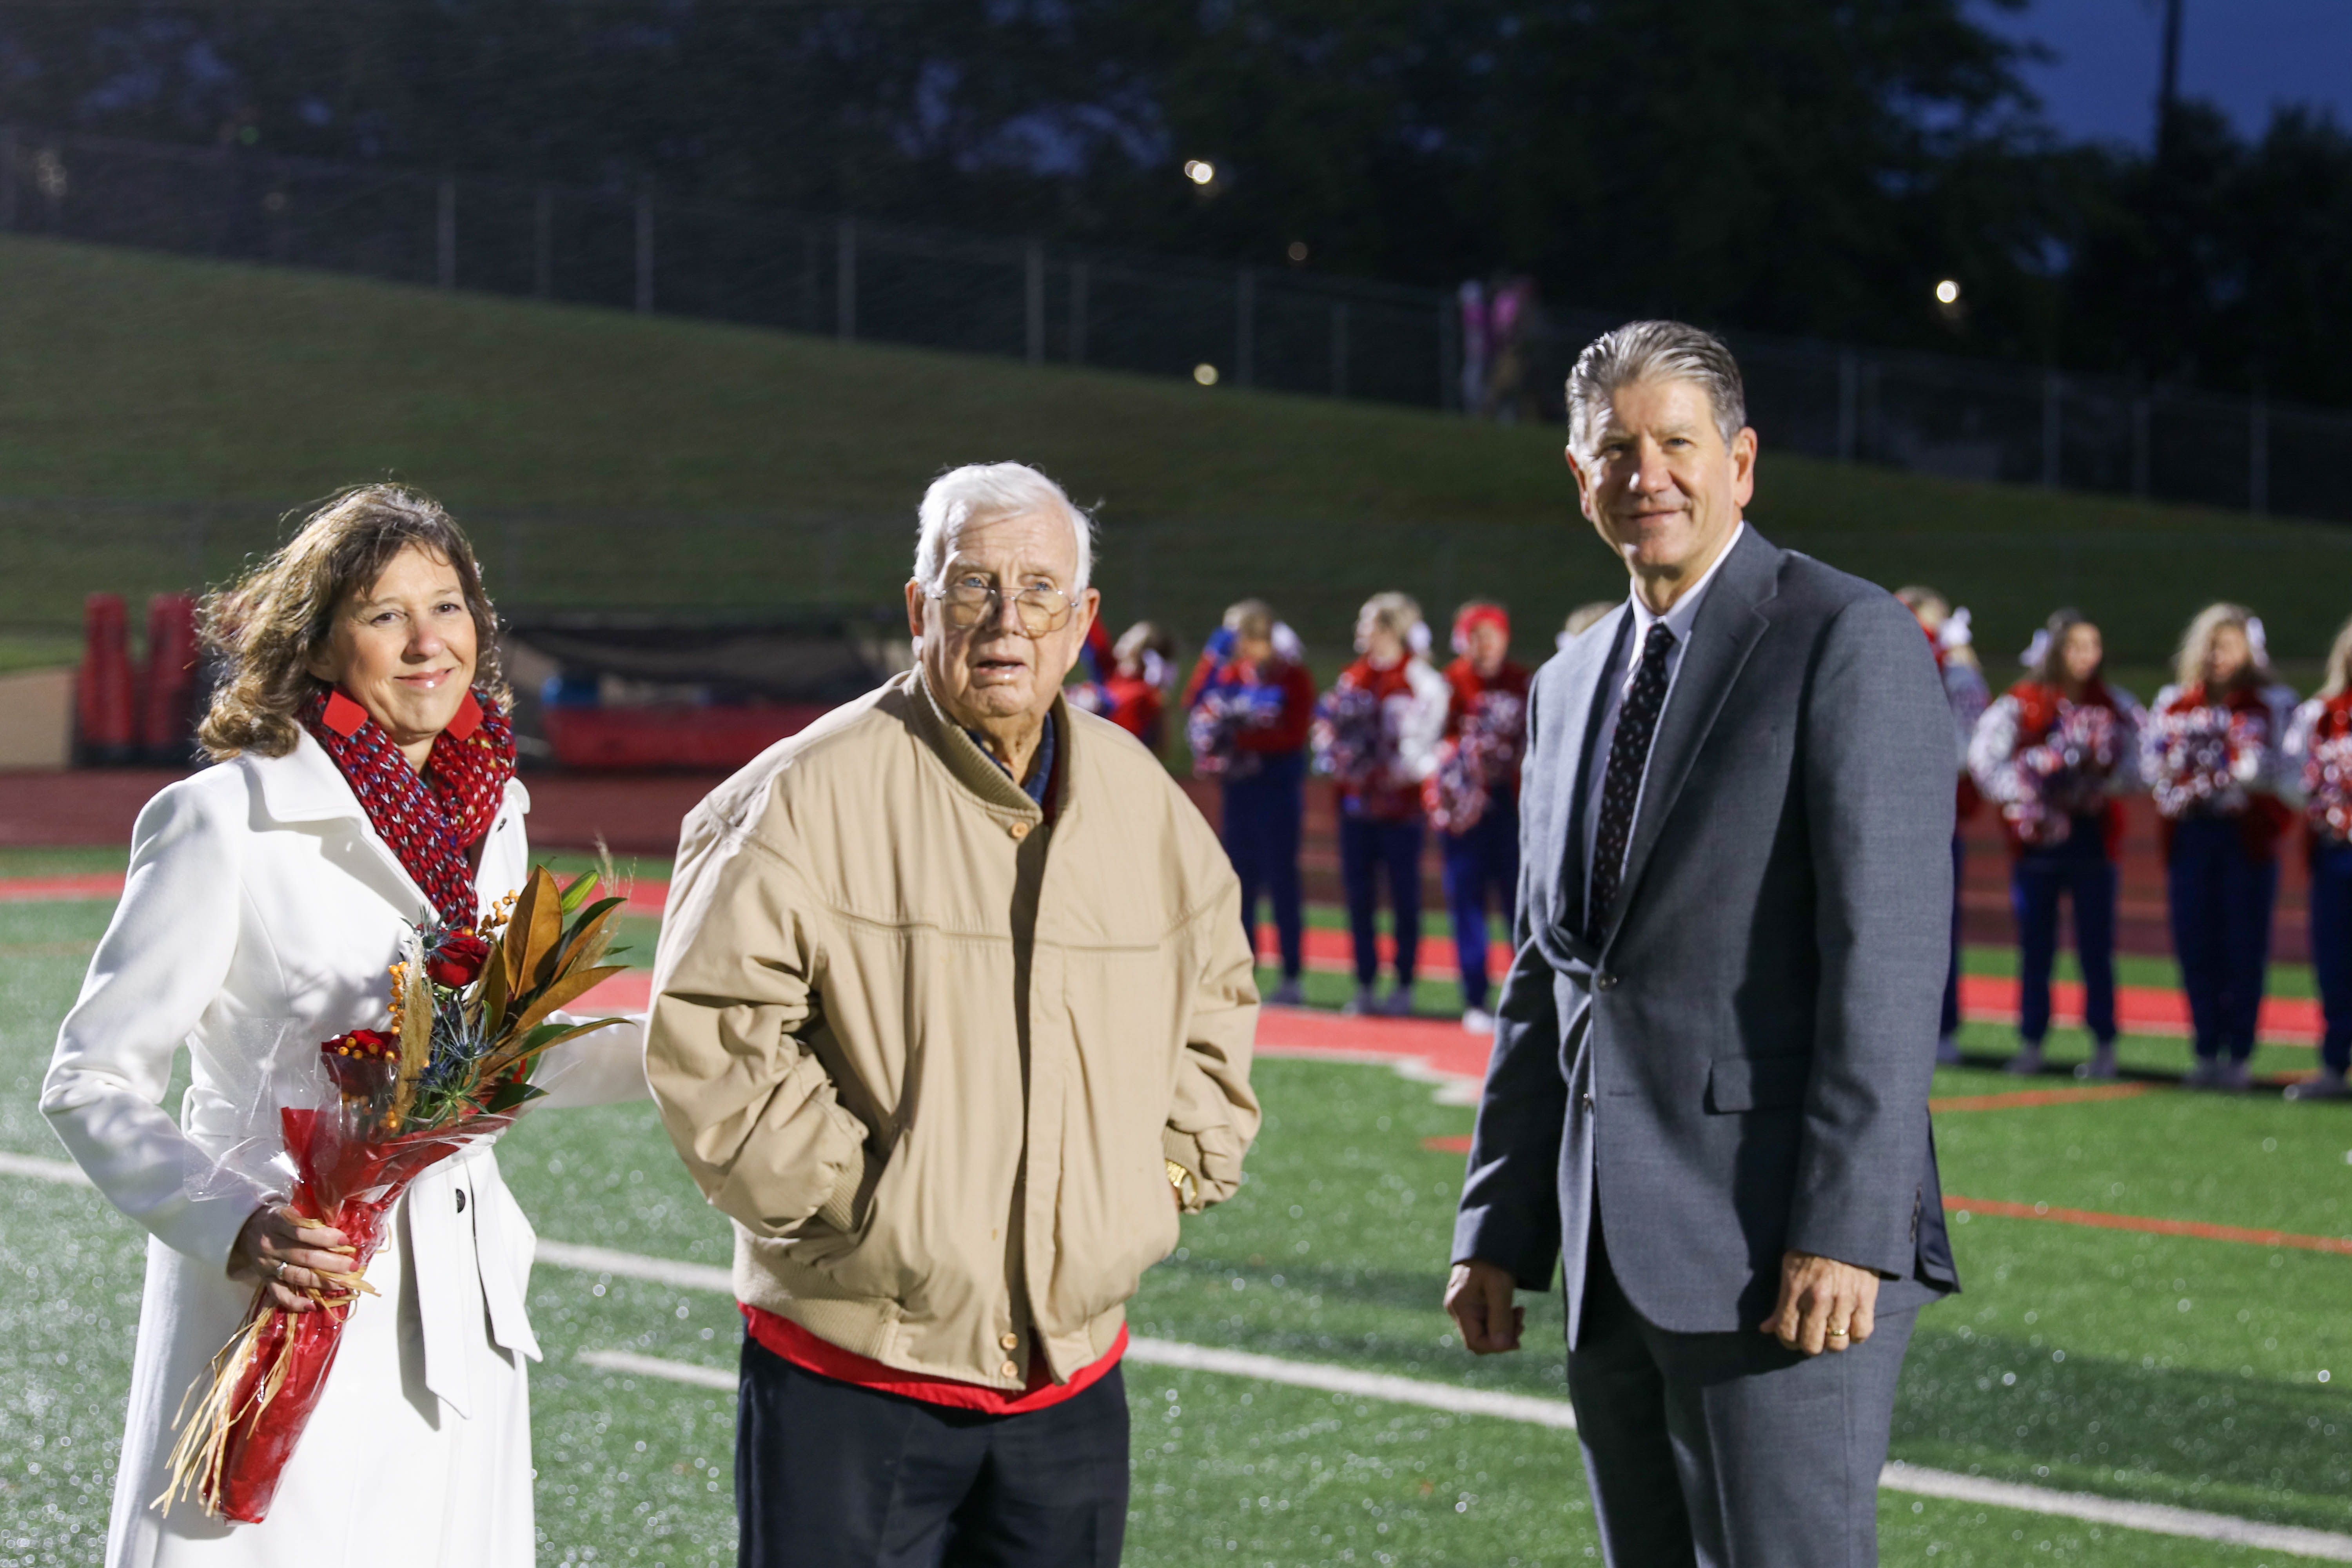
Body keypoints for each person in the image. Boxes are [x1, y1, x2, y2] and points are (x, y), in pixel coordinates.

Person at [644, 461, 1261, 1568]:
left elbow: (1217, 1007)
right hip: (853, 1371)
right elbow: (718, 1040)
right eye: (974, 586)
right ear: (922, 606)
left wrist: (1158, 1184)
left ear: (1082, 623)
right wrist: (872, 1213)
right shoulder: (799, 795)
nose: (1005, 621)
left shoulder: (1146, 807)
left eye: (1037, 591)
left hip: (1072, 1382)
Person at [40, 485, 646, 1568]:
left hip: (456, 1312)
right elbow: (90, 1078)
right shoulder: (221, 820)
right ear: (318, 646)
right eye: (384, 615)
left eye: (449, 607)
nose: (428, 643)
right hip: (282, 1299)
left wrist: (678, 1046)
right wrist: (237, 1220)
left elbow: (481, 1073)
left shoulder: (489, 814)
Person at [1446, 321, 1957, 1568]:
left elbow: (1882, 962)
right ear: (1578, 477)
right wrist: (1498, 1227)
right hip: (1606, 1254)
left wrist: (1845, 1228)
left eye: (1675, 443)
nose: (1645, 474)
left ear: (1739, 460)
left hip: (1780, 1242)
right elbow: (1546, 973)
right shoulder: (1565, 683)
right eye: (1612, 449)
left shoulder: (1843, 636)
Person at [1969, 612, 2145, 1081]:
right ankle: (2032, 1042)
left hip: (2093, 843)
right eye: (2076, 646)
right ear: (2056, 650)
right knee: (2036, 948)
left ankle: (2104, 1044)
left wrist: (2097, 783)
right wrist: (2032, 785)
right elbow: (1985, 763)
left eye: (2094, 646)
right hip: (2038, 849)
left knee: (2096, 949)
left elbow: (2143, 765)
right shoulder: (2022, 702)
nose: (2086, 656)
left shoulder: (2116, 704)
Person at [2144, 604, 2299, 1090]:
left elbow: (2283, 771)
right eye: (2210, 645)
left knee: (2243, 945)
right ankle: (2206, 1047)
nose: (2216, 656)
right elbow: (2151, 766)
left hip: (2244, 839)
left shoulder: (2272, 701)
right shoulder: (2176, 702)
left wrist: (2235, 771)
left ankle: (2241, 1052)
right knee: (2195, 942)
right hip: (2192, 834)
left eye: (2227, 645)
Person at [1316, 592, 1450, 1016]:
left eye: (1368, 623)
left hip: (1402, 809)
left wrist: (1409, 765)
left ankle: (1406, 983)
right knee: (1359, 898)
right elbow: (1331, 732)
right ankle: (1366, 983)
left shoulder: (1423, 681)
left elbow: (1433, 746)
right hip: (1357, 805)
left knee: (1405, 897)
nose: (1361, 631)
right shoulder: (1352, 678)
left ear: (1391, 630)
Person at [1182, 599, 1318, 1005]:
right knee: (1239, 883)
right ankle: (1244, 971)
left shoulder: (1293, 677)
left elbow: (1294, 735)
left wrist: (1240, 740)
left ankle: (1292, 975)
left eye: (1237, 638)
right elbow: (1195, 702)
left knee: (1282, 881)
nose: (1233, 647)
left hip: (1277, 792)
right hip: (1239, 792)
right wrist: (1211, 658)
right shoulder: (1231, 674)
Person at [1896, 586, 1989, 1065]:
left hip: (1932, 813)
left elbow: (1966, 746)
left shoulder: (1957, 672)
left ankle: (1943, 1027)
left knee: (1936, 928)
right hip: (1884, 812)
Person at [1432, 601, 1532, 1033]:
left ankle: (1525, 995)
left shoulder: (1524, 682)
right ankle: (1475, 997)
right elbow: (1431, 744)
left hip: (1512, 810)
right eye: (1477, 635)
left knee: (1520, 902)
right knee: (1466, 900)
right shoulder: (1449, 683)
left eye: (1493, 635)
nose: (1486, 644)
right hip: (1465, 815)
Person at [2283, 613, 2352, 1102]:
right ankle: (2334, 1063)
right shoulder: (2321, 713)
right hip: (2336, 854)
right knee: (2335, 964)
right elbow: (2290, 776)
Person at [1098, 619, 1175, 752]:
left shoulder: (1140, 694)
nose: (1123, 637)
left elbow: (1120, 742)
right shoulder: (1114, 677)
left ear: (1141, 653)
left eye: (1130, 638)